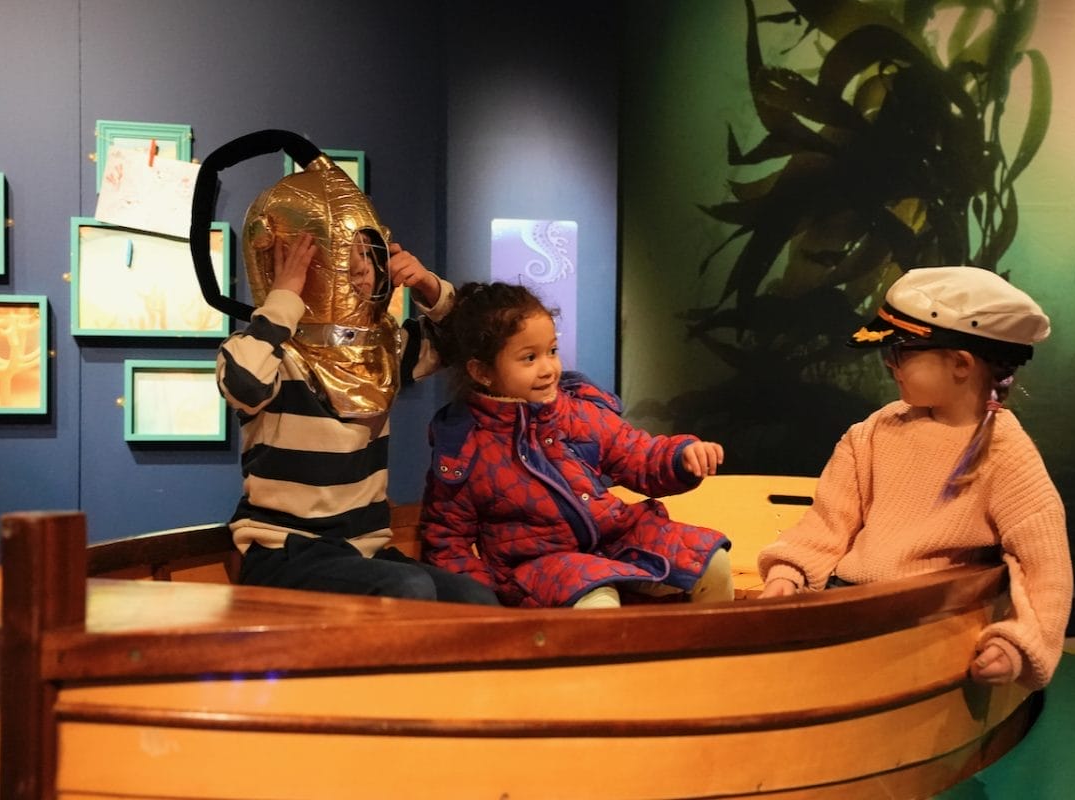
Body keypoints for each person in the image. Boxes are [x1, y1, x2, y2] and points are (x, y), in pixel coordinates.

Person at [757, 266, 1071, 689]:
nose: (890, 364)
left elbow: (1044, 570)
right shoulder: (871, 434)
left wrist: (1018, 643)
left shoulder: (1005, 454)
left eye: (901, 352)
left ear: (960, 364)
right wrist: (788, 573)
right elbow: (828, 524)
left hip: (926, 626)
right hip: (843, 603)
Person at [215, 155, 497, 606]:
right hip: (284, 551)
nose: (361, 269)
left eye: (367, 255)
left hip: (360, 551)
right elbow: (245, 384)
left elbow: (464, 339)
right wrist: (284, 298)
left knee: (474, 600)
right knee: (409, 590)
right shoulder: (271, 352)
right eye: (340, 257)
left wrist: (427, 286)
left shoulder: (382, 349)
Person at [420, 281, 734, 609]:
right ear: (482, 372)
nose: (548, 369)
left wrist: (681, 456)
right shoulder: (466, 446)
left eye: (551, 351)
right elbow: (448, 540)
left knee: (711, 564)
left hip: (614, 540)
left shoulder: (578, 409)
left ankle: (707, 657)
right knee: (598, 599)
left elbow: (636, 453)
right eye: (529, 358)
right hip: (541, 568)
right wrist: (487, 607)